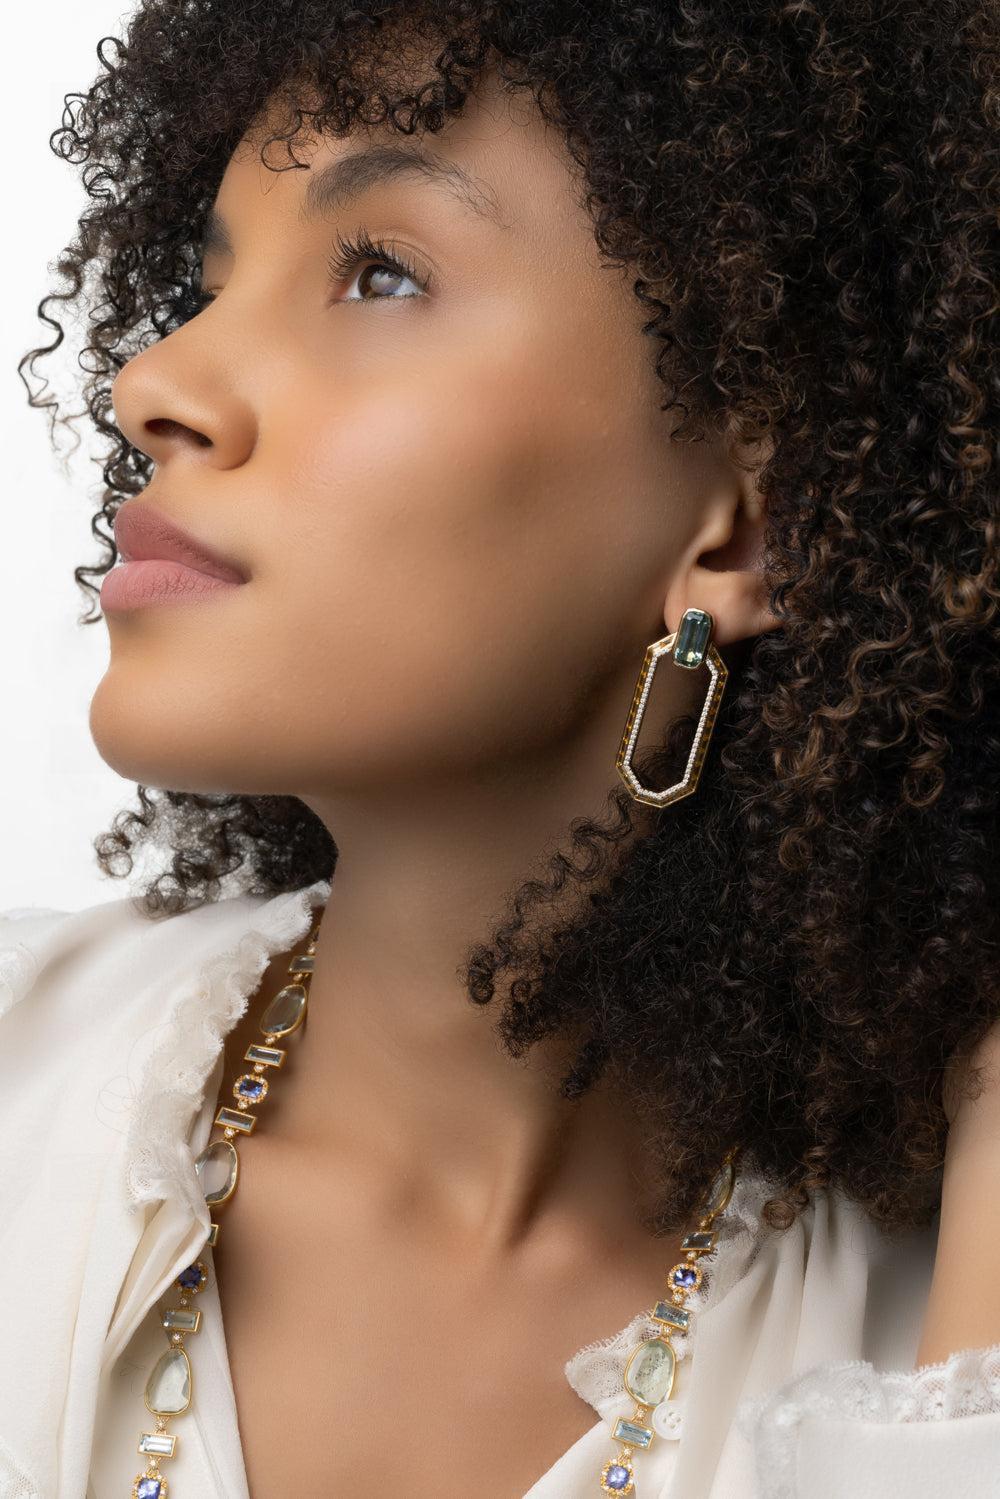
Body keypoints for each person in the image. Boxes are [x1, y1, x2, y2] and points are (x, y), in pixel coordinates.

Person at [4, 2, 999, 1496]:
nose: (159, 385)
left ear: (746, 527)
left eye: (379, 273)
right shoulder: (26, 1088)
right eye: (211, 282)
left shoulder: (934, 1337)